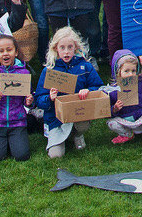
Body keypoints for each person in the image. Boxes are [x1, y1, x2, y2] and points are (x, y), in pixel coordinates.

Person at [35, 27, 105, 158]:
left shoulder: (85, 67)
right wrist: (49, 98)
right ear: (56, 48)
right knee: (55, 155)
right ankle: (60, 137)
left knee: (82, 124)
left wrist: (88, 91)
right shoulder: (49, 71)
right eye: (62, 47)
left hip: (78, 114)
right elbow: (38, 99)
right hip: (55, 119)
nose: (66, 52)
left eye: (70, 47)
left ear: (76, 47)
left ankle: (77, 134)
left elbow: (99, 87)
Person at [0, 32, 34, 161]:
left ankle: (14, 142)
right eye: (1, 51)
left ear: (16, 52)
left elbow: (29, 97)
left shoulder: (24, 73)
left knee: (22, 156)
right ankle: (4, 143)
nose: (5, 54)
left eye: (9, 50)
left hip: (18, 121)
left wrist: (29, 101)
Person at [106, 50, 142, 146]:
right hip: (125, 119)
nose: (130, 74)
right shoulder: (113, 89)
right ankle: (127, 134)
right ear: (118, 71)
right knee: (111, 123)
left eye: (133, 71)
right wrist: (114, 109)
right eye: (126, 71)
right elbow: (106, 110)